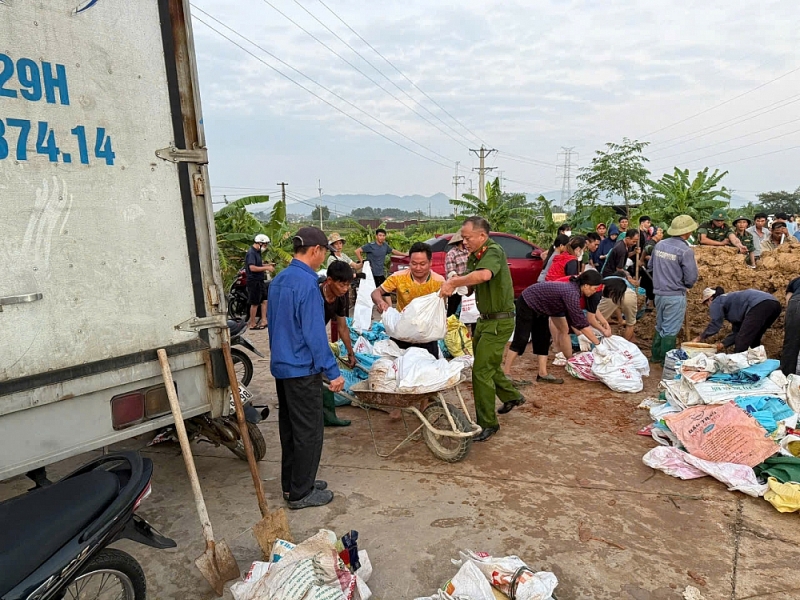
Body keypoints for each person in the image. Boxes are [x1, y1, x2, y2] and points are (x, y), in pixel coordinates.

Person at [267, 226, 345, 509]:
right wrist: (332, 371)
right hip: (302, 368)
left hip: (283, 366)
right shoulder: (308, 284)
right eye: (324, 252)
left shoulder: (279, 280)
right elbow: (314, 334)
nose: (324, 258)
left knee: (291, 430)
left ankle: (294, 484)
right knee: (309, 432)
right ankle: (301, 493)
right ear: (316, 250)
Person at [439, 216, 521, 443]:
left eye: (467, 238)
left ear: (482, 236)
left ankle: (488, 423)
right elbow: (473, 285)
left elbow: (484, 275)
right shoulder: (476, 256)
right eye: (463, 239)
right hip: (484, 320)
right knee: (487, 364)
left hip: (499, 321)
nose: (464, 242)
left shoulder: (493, 251)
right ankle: (512, 396)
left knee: (481, 372)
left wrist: (454, 282)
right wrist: (457, 282)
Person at [512, 272, 603, 385]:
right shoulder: (572, 293)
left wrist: (581, 335)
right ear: (586, 285)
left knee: (544, 338)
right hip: (528, 301)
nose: (595, 291)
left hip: (548, 305)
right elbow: (580, 321)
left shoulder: (577, 291)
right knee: (521, 338)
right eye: (594, 288)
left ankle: (543, 373)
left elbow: (574, 317)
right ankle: (506, 374)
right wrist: (598, 344)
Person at [372, 242, 445, 357]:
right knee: (398, 364)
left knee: (430, 364)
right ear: (409, 262)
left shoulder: (439, 281)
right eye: (414, 263)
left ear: (430, 262)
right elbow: (376, 292)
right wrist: (380, 302)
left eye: (422, 264)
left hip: (426, 334)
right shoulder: (398, 277)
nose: (418, 268)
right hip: (402, 332)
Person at [649, 215, 699, 363]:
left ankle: (655, 356)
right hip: (675, 295)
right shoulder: (685, 250)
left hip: (659, 294)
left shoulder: (659, 245)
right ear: (687, 232)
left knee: (660, 325)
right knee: (670, 329)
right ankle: (666, 361)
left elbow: (650, 266)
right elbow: (691, 278)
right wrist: (686, 285)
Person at [320, 261, 358, 427]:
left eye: (348, 285)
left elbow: (342, 327)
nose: (345, 289)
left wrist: (350, 352)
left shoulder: (340, 298)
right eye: (342, 285)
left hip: (318, 338)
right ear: (329, 281)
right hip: (306, 337)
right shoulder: (315, 295)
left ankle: (328, 416)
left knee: (325, 376)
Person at [693, 287, 782, 353]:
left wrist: (699, 338)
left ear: (710, 299)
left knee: (742, 342)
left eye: (706, 304)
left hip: (759, 305)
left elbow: (715, 324)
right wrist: (723, 344)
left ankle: (739, 368)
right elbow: (738, 331)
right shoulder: (732, 303)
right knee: (754, 338)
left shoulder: (717, 301)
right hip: (774, 305)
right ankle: (757, 366)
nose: (708, 307)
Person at [245, 234, 275, 330]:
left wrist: (267, 265)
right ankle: (252, 323)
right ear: (260, 243)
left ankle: (264, 320)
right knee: (255, 302)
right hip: (253, 280)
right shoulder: (251, 253)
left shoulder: (257, 252)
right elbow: (252, 267)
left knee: (265, 300)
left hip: (260, 280)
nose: (265, 247)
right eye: (265, 245)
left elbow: (257, 264)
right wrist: (266, 268)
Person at [598, 272, 638, 341]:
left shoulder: (606, 280)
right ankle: (624, 345)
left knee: (597, 320)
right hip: (629, 295)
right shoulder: (627, 282)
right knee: (630, 324)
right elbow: (617, 303)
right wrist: (621, 320)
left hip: (611, 294)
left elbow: (615, 303)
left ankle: (595, 340)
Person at [444, 231, 470, 317]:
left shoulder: (468, 252)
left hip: (469, 285)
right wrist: (462, 281)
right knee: (454, 312)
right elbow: (451, 272)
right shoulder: (451, 254)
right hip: (457, 287)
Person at [640, 226, 663, 311]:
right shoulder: (650, 243)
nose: (662, 234)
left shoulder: (656, 244)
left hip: (652, 270)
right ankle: (649, 304)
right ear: (655, 234)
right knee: (649, 288)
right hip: (648, 271)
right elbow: (646, 253)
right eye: (660, 232)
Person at [781, 276, 800, 376]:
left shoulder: (796, 280)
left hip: (797, 303)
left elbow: (789, 298)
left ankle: (786, 376)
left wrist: (790, 317)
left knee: (792, 342)